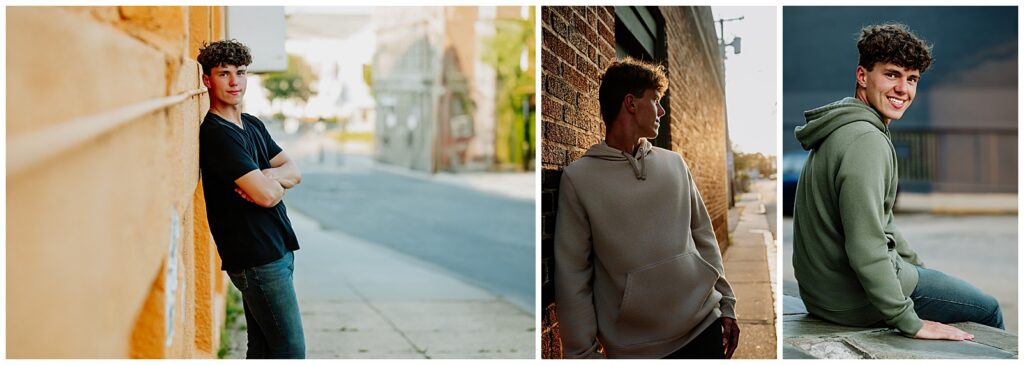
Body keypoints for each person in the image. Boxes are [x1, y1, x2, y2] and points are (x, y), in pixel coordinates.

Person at [792, 23, 1004, 341]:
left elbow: (884, 222)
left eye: (912, 79)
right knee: (989, 309)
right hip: (853, 300)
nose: (903, 89)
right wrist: (909, 320)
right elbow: (866, 246)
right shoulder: (866, 140)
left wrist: (920, 270)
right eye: (892, 74)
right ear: (862, 76)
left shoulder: (842, 129)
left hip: (824, 295)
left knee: (940, 283)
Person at [554, 57, 739, 359]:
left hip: (704, 326)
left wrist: (727, 305)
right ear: (630, 103)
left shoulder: (674, 164)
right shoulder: (580, 179)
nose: (662, 111)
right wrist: (582, 354)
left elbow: (704, 237)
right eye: (655, 100)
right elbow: (573, 275)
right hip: (638, 350)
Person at [197, 39, 306, 358]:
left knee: (263, 350)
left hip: (277, 250)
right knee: (290, 352)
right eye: (223, 74)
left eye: (240, 72)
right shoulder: (218, 135)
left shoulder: (253, 124)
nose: (234, 82)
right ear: (207, 80)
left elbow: (294, 170)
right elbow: (267, 197)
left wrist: (269, 176)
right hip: (257, 258)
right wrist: (272, 181)